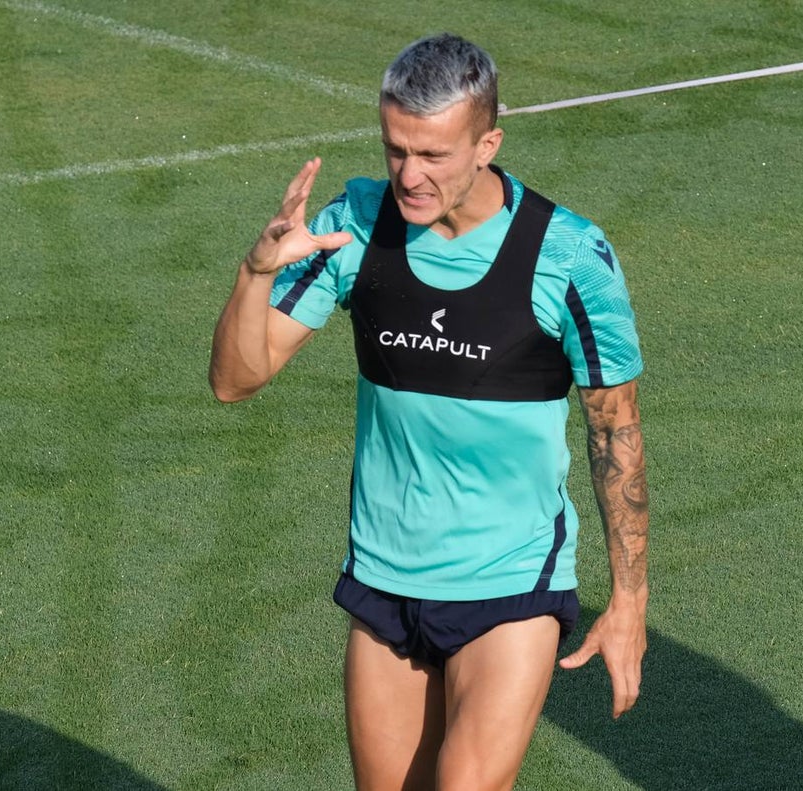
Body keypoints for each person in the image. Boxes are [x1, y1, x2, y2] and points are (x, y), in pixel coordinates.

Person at [209, 32, 649, 791]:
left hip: (510, 584)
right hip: (384, 579)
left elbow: (616, 431)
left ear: (488, 143)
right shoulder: (354, 225)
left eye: (433, 155)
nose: (410, 175)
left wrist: (630, 601)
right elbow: (235, 381)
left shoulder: (569, 256)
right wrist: (255, 273)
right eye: (395, 149)